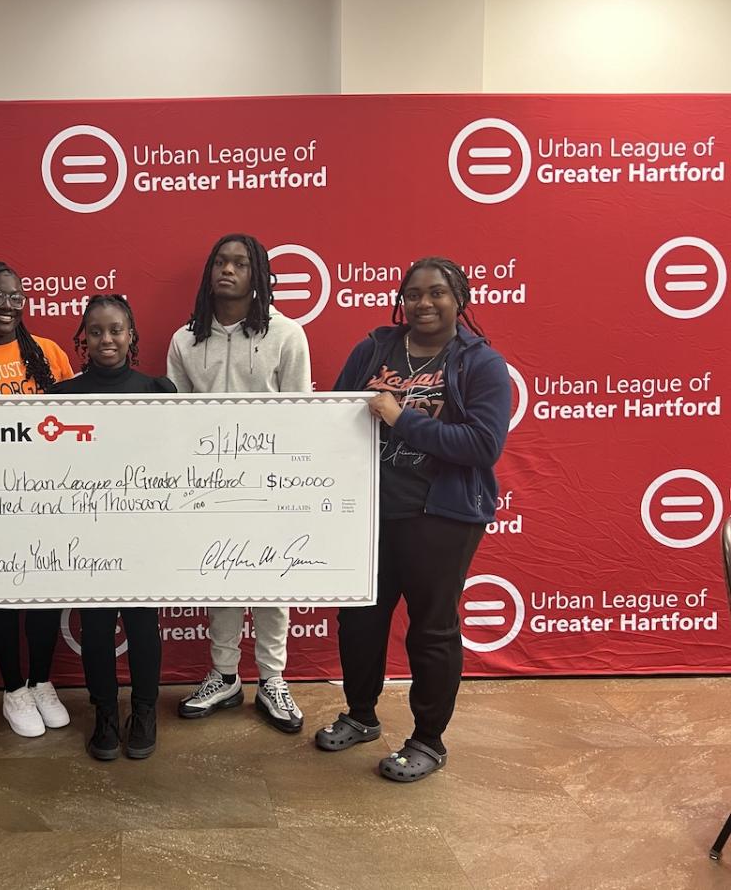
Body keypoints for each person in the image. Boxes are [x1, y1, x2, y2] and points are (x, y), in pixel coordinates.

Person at [318, 256, 511, 782]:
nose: (423, 303)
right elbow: (335, 418)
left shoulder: (480, 364)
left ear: (459, 300)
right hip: (369, 513)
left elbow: (482, 445)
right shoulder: (375, 349)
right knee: (359, 620)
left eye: (437, 293)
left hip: (441, 517)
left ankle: (428, 740)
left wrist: (402, 419)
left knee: (431, 630)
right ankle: (360, 716)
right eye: (413, 294)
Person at [166, 233, 312, 733]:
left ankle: (272, 679)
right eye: (220, 262)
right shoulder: (185, 339)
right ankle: (225, 675)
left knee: (274, 580)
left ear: (259, 276)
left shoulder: (287, 335)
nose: (227, 270)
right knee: (220, 577)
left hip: (271, 483)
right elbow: (175, 417)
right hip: (210, 484)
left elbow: (302, 415)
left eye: (240, 263)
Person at [0, 260, 75, 738]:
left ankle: (41, 681)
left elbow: (76, 423)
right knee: (2, 600)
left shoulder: (48, 352)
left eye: (17, 297)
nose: (9, 305)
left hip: (50, 496)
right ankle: (13, 691)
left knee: (44, 598)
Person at [51, 294, 176, 760]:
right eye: (97, 331)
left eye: (116, 330)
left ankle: (144, 710)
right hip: (88, 536)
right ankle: (104, 711)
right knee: (98, 628)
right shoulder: (61, 398)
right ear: (84, 339)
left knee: (144, 625)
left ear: (131, 336)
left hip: (143, 534)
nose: (107, 339)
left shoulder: (159, 391)